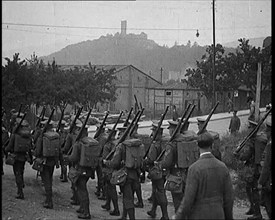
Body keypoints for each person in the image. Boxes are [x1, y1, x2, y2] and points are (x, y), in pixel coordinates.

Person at [173, 132, 234, 220]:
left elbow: (188, 199)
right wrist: (228, 217)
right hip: (218, 214)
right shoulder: (222, 167)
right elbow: (229, 198)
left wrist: (178, 216)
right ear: (212, 146)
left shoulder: (194, 169)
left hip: (198, 215)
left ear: (197, 147)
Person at [156, 119, 198, 213]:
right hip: (188, 176)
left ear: (172, 130)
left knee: (178, 205)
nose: (169, 131)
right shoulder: (187, 141)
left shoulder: (172, 145)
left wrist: (159, 164)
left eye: (170, 129)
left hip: (176, 179)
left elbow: (166, 163)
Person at [103, 130, 145, 220]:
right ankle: (124, 216)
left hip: (126, 176)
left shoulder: (122, 146)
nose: (118, 135)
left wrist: (106, 162)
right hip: (135, 174)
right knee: (127, 196)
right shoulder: (136, 145)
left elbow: (115, 163)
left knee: (128, 198)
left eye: (120, 134)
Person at [64, 125, 100, 219]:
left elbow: (73, 158)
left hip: (79, 170)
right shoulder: (90, 142)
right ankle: (82, 208)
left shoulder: (78, 144)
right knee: (81, 189)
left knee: (82, 190)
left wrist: (67, 158)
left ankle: (86, 212)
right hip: (88, 170)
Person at [234, 120, 266, 220]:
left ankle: (257, 214)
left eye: (250, 127)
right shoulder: (255, 139)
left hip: (253, 169)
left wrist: (238, 155)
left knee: (254, 190)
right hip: (254, 168)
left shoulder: (252, 141)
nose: (248, 129)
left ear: (253, 128)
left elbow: (246, 155)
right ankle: (253, 208)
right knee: (249, 188)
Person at [34, 119, 62, 209]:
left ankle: (49, 201)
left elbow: (38, 151)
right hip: (53, 162)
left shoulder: (42, 136)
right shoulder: (56, 136)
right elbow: (59, 150)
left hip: (44, 161)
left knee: (46, 181)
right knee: (49, 178)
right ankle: (49, 198)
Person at [144, 121, 169, 220]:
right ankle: (153, 210)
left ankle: (165, 215)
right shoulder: (166, 142)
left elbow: (151, 159)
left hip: (156, 171)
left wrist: (145, 161)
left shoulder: (156, 144)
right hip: (164, 170)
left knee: (160, 191)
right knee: (155, 191)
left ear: (157, 133)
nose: (152, 133)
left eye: (153, 131)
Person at [5, 118, 33, 199]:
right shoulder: (27, 136)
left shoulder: (15, 135)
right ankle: (21, 184)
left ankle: (20, 192)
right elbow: (30, 147)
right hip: (23, 157)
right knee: (21, 171)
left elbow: (9, 147)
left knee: (17, 173)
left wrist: (6, 149)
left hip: (16, 157)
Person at [101, 126, 120, 216]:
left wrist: (103, 162)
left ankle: (116, 209)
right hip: (113, 169)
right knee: (108, 187)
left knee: (111, 188)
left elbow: (105, 158)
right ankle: (108, 204)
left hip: (109, 169)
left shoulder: (108, 145)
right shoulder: (117, 143)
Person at [62, 119, 82, 205]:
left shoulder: (70, 135)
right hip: (82, 160)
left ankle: (76, 197)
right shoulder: (82, 136)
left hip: (73, 160)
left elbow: (66, 148)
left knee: (74, 179)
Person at [258, 119, 271, 219]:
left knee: (268, 206)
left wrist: (261, 182)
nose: (265, 133)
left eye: (267, 131)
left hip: (269, 182)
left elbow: (266, 167)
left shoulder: (269, 146)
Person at [94, 122, 108, 200]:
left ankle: (103, 193)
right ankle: (99, 190)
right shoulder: (104, 136)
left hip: (101, 158)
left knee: (101, 176)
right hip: (103, 157)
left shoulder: (102, 138)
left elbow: (99, 149)